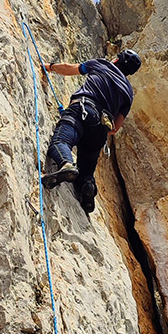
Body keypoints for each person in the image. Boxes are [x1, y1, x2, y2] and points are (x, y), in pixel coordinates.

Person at [41, 50, 142, 214]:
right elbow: (115, 128)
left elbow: (69, 68)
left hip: (83, 109)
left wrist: (48, 67)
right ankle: (87, 186)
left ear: (116, 60)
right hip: (102, 128)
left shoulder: (103, 64)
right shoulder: (128, 93)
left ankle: (66, 164)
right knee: (87, 169)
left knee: (61, 141)